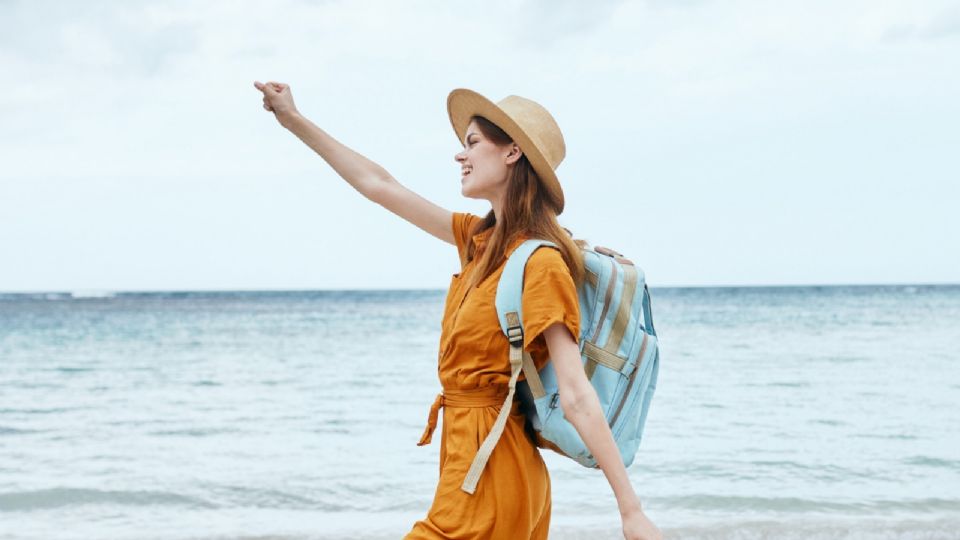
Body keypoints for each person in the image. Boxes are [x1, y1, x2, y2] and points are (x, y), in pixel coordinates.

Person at [254, 80, 662, 540]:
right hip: (466, 462)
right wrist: (295, 121)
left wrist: (631, 511)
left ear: (512, 153)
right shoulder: (478, 243)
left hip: (492, 473)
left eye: (471, 142)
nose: (459, 155)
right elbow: (379, 185)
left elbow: (576, 393)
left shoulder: (541, 263)